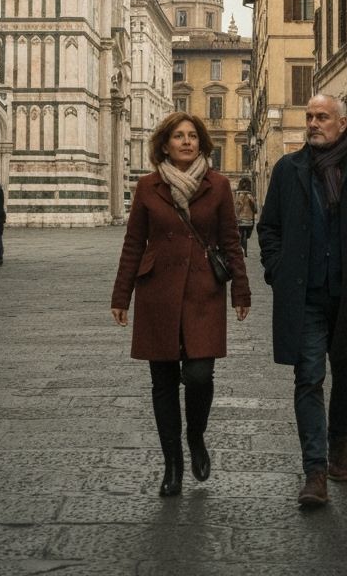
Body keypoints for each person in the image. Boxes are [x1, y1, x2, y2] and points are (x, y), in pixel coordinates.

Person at [258, 93, 347, 508]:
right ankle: (315, 471)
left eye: (322, 117)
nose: (313, 123)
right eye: (309, 116)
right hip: (304, 294)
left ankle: (339, 446)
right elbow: (270, 228)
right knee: (308, 378)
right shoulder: (289, 170)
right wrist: (277, 269)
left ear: (342, 124)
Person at [111, 111, 251, 497]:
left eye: (192, 135)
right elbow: (133, 243)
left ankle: (196, 435)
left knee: (201, 375)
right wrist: (121, 295)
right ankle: (172, 464)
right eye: (178, 136)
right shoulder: (147, 187)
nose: (186, 141)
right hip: (157, 291)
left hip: (203, 290)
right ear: (165, 143)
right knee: (163, 382)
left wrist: (241, 290)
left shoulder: (219, 185)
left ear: (201, 142)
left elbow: (230, 243)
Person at [233, 178, 257, 257]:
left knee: (241, 234)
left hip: (242, 219)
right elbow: (255, 209)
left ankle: (242, 250)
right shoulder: (248, 195)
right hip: (248, 220)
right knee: (243, 235)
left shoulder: (240, 195)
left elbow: (237, 207)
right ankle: (243, 250)